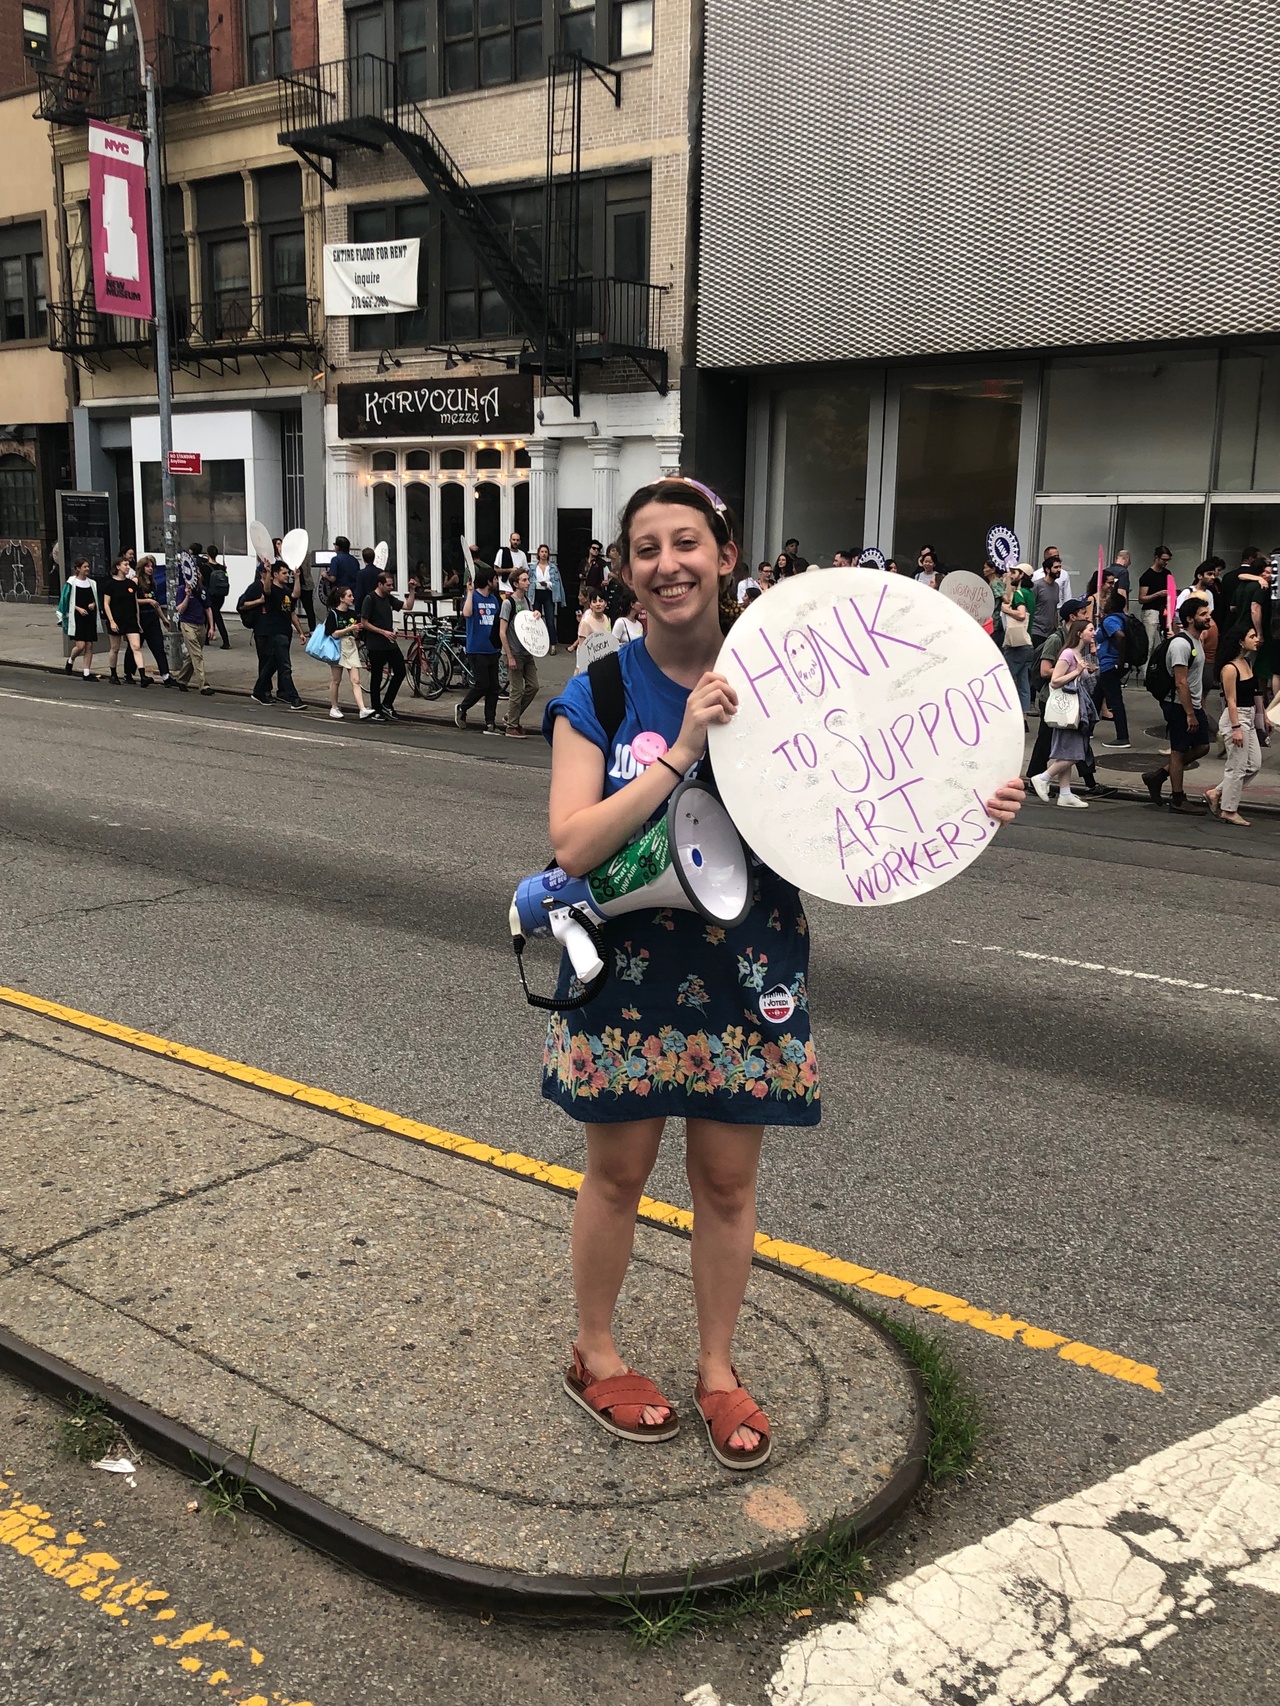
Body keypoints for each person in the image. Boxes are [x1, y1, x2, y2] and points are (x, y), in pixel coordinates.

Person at [540, 475, 1025, 1467]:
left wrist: (972, 793)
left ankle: (716, 1371)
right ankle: (594, 1353)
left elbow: (888, 754)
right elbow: (572, 845)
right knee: (617, 1173)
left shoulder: (800, 669)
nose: (667, 563)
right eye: (645, 548)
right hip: (627, 969)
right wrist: (677, 750)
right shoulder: (595, 691)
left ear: (725, 555)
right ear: (626, 572)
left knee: (725, 1183)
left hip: (746, 965)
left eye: (687, 542)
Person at [1142, 596, 1212, 813]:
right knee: (1178, 751)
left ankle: (1159, 775)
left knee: (1202, 746)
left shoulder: (1197, 640)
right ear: (1190, 619)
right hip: (1178, 705)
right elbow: (1181, 682)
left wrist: (1200, 706)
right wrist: (1190, 713)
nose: (1208, 616)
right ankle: (1178, 798)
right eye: (1203, 614)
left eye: (1207, 613)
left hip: (1191, 704)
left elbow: (1194, 679)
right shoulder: (1182, 644)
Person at [1205, 619, 1269, 825]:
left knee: (1254, 765)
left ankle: (1216, 792)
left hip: (1249, 716)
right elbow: (1230, 701)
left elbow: (1256, 693)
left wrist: (1263, 715)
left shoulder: (1247, 662)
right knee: (1237, 767)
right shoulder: (1230, 669)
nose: (1256, 639)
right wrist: (1236, 728)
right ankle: (1229, 810)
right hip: (1236, 717)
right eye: (1252, 636)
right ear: (1240, 642)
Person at [1029, 615, 1097, 809]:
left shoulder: (1078, 654)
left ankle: (1065, 793)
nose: (1094, 633)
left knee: (1065, 752)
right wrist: (1077, 672)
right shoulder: (1067, 653)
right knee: (1076, 752)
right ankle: (1043, 777)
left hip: (1076, 706)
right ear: (1079, 633)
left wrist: (1087, 667)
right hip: (1067, 708)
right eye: (1090, 629)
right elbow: (1055, 680)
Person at [250, 560, 307, 709]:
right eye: (284, 573)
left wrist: (297, 577)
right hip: (274, 632)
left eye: (288, 573)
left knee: (272, 664)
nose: (287, 575)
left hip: (285, 631)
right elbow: (267, 590)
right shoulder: (271, 590)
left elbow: (295, 598)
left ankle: (258, 690)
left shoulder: (286, 591)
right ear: (275, 575)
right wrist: (268, 572)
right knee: (285, 666)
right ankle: (295, 699)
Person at [361, 568, 413, 721]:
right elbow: (364, 623)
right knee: (376, 676)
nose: (391, 588)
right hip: (375, 644)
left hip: (389, 642)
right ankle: (377, 709)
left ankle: (387, 704)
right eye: (389, 585)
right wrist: (382, 632)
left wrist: (412, 590)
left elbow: (407, 606)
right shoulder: (370, 599)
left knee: (400, 671)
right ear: (380, 584)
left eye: (392, 585)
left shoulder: (388, 598)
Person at [455, 563, 502, 734]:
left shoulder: (494, 600)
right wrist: (469, 592)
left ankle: (490, 723)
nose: (497, 582)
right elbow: (466, 614)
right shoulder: (473, 597)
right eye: (495, 579)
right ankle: (462, 707)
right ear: (489, 581)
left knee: (494, 687)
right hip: (477, 648)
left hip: (493, 649)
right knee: (482, 684)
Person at [500, 565, 541, 739]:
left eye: (528, 579)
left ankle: (512, 717)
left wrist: (536, 615)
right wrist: (509, 656)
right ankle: (511, 726)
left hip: (526, 651)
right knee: (516, 690)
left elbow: (529, 626)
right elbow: (502, 631)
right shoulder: (508, 603)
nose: (528, 582)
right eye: (524, 580)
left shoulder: (528, 602)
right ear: (516, 583)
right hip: (514, 652)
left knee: (533, 686)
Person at [324, 584, 373, 721]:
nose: (352, 598)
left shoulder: (352, 614)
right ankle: (334, 707)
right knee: (336, 680)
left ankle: (362, 709)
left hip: (351, 646)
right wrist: (348, 629)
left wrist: (356, 631)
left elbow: (354, 632)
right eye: (349, 596)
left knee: (356, 680)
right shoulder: (333, 614)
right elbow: (332, 633)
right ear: (342, 599)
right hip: (338, 647)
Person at [103, 556, 151, 687]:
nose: (128, 567)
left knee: (136, 646)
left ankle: (142, 675)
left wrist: (138, 621)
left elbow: (134, 603)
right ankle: (113, 674)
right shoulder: (110, 584)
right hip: (117, 619)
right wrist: (111, 621)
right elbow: (106, 604)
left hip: (130, 619)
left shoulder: (131, 584)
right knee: (115, 648)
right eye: (125, 564)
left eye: (128, 564)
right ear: (118, 566)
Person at [1093, 591, 1131, 748]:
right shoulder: (1122, 618)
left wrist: (1120, 661)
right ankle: (1087, 729)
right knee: (1097, 695)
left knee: (1115, 700)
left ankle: (1123, 737)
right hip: (1112, 664)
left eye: (1108, 600)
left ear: (1113, 605)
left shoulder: (1111, 621)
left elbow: (1120, 636)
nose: (1105, 601)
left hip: (1111, 663)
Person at [173, 562, 216, 696]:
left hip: (200, 625)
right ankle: (203, 685)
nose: (197, 576)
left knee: (192, 655)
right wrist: (187, 596)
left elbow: (208, 608)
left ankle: (182, 679)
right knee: (197, 655)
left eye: (198, 573)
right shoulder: (181, 590)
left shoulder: (202, 590)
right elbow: (180, 609)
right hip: (187, 624)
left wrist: (211, 627)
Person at [1000, 565, 1036, 715]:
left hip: (1017, 644)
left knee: (1004, 679)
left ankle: (1005, 713)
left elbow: (1021, 615)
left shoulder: (1019, 594)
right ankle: (1023, 717)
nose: (1011, 575)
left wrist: (1006, 609)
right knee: (1023, 683)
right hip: (1027, 642)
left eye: (1014, 573)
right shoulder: (1030, 594)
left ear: (1022, 575)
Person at [132, 557, 172, 686]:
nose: (150, 569)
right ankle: (129, 672)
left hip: (152, 619)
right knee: (135, 647)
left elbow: (156, 604)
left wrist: (164, 619)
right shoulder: (136, 581)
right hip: (140, 618)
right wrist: (147, 601)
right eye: (147, 566)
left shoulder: (153, 583)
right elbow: (132, 601)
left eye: (152, 567)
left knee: (158, 647)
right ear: (142, 567)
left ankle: (166, 675)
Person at [60, 557, 99, 679]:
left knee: (89, 645)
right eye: (85, 567)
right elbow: (67, 601)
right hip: (77, 618)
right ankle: (71, 660)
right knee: (80, 645)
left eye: (88, 566)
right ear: (78, 569)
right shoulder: (72, 582)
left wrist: (93, 604)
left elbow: (95, 599)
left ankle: (86, 672)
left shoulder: (92, 583)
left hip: (89, 617)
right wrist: (78, 608)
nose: (87, 569)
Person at [1137, 546, 1173, 672]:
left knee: (1166, 639)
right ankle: (1146, 671)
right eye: (1164, 559)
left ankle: (1162, 670)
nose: (1166, 562)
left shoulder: (1167, 573)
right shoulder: (1147, 576)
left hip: (1164, 610)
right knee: (1149, 643)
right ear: (1156, 558)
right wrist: (1158, 594)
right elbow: (1142, 598)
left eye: (1168, 560)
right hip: (1151, 610)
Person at [532, 544, 563, 654]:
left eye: (546, 552)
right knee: (536, 620)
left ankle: (553, 645)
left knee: (550, 620)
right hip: (536, 594)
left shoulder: (553, 567)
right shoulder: (533, 567)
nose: (544, 554)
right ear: (538, 554)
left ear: (548, 554)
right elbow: (530, 582)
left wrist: (547, 584)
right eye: (542, 552)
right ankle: (537, 644)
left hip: (548, 594)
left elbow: (557, 584)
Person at [570, 590, 611, 671]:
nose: (598, 604)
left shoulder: (607, 619)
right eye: (594, 601)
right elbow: (582, 646)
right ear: (591, 605)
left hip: (603, 657)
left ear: (605, 604)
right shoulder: (586, 622)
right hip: (589, 658)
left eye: (601, 601)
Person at [1029, 558, 1062, 644]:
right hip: (1036, 631)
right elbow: (1029, 608)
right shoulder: (1036, 586)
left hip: (1050, 633)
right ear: (1047, 569)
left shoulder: (1056, 587)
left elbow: (1054, 609)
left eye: (1060, 567)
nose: (1059, 570)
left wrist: (1056, 628)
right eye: (1056, 567)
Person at [205, 551, 232, 648]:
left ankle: (226, 641)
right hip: (221, 595)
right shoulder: (222, 567)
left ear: (208, 554)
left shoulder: (206, 567)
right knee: (212, 614)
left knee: (215, 615)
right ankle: (206, 638)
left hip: (211, 594)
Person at [324, 536, 361, 604]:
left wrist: (325, 575)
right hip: (352, 593)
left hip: (340, 594)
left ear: (338, 547)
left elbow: (333, 578)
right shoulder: (355, 560)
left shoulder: (335, 560)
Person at [355, 546, 382, 610]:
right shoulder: (380, 572)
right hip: (379, 604)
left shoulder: (361, 574)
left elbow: (360, 592)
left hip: (366, 605)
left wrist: (358, 608)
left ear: (363, 559)